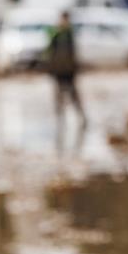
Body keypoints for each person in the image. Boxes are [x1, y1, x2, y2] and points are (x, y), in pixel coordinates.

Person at [46, 11, 87, 150]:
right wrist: (51, 69)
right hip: (59, 71)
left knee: (74, 95)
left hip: (69, 72)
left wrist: (75, 68)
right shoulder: (56, 35)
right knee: (59, 97)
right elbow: (49, 53)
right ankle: (60, 119)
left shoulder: (70, 35)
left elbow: (73, 53)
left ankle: (81, 117)